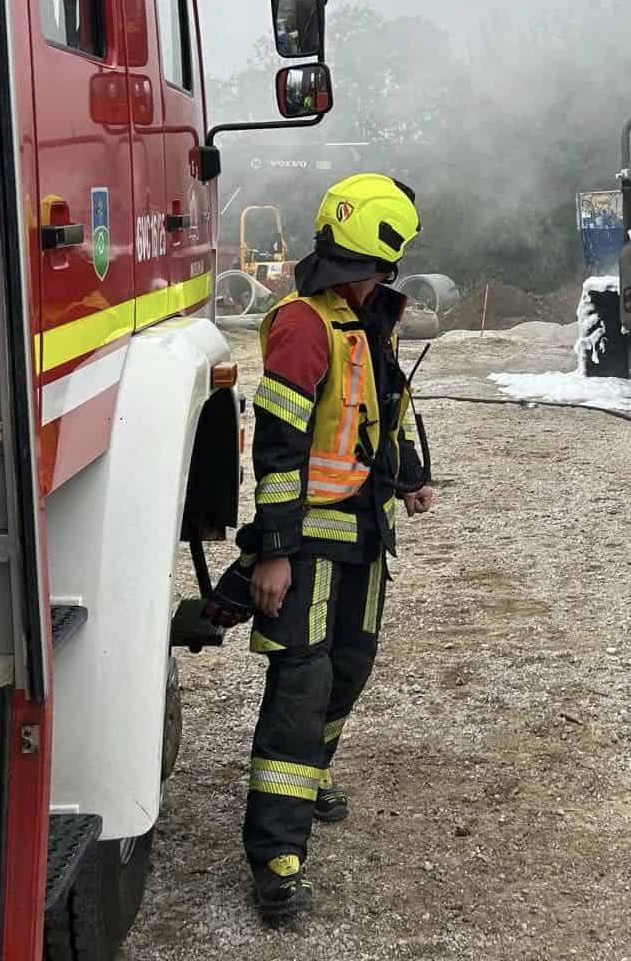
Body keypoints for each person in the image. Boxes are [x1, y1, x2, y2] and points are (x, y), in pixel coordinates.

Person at [212, 173, 438, 925]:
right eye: (387, 259)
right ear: (374, 250)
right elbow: (277, 449)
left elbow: (385, 407)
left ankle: (310, 774)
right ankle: (277, 857)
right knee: (301, 684)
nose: (389, 274)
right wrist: (272, 552)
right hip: (306, 542)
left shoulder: (369, 318)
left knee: (350, 667)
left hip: (367, 537)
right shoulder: (305, 323)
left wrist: (409, 477)